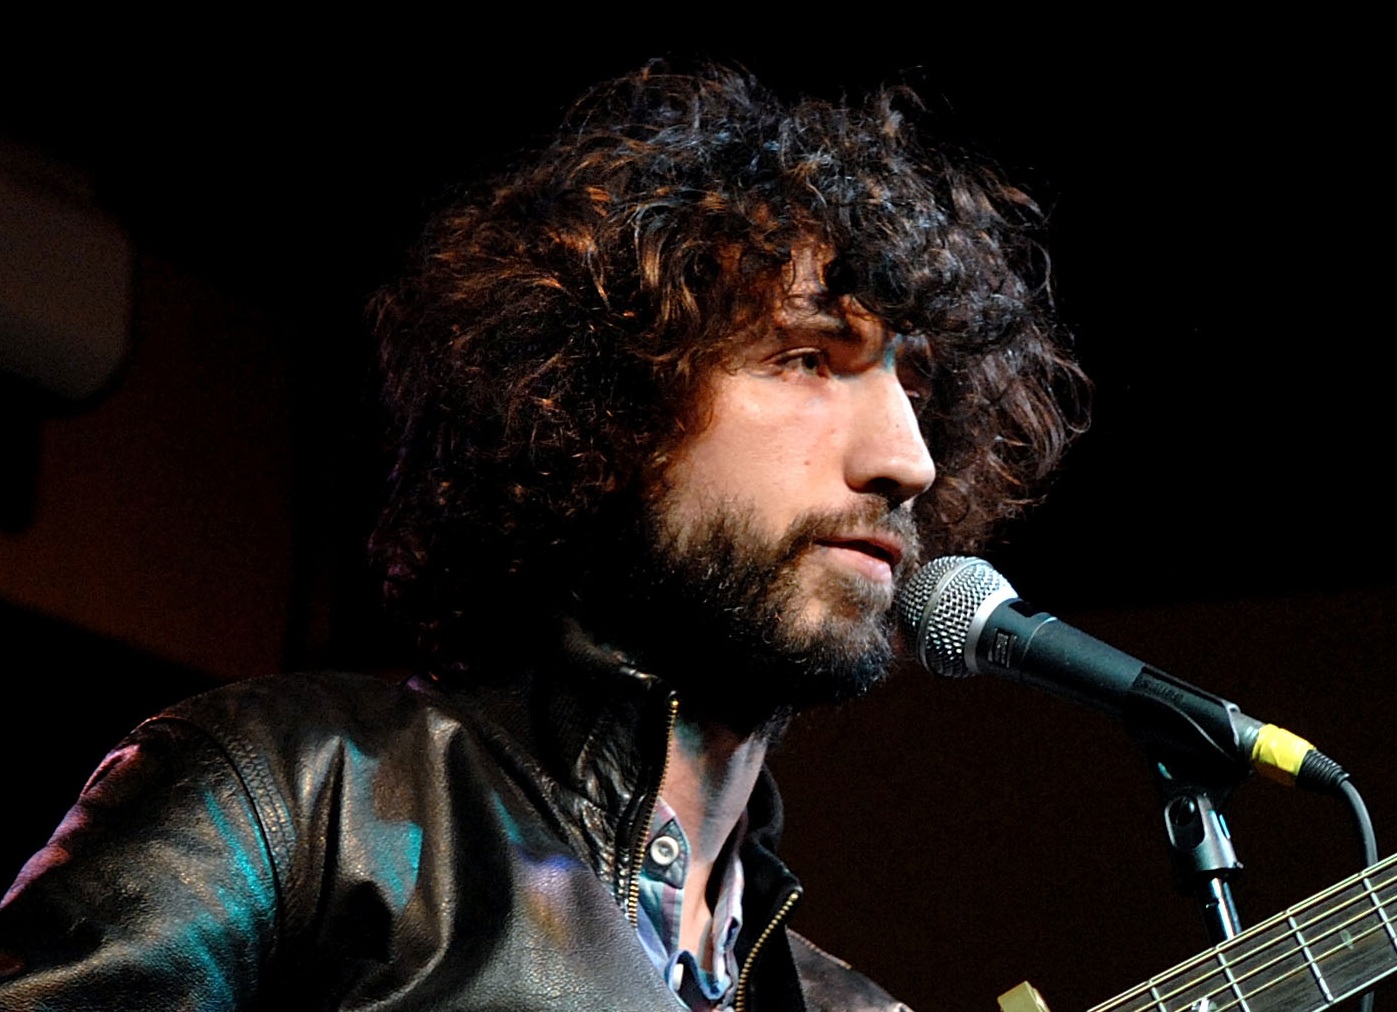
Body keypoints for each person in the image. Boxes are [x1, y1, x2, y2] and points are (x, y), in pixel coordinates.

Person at [0, 63, 1085, 1010]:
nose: (907, 458)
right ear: (611, 411)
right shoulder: (295, 798)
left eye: (918, 385)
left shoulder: (842, 1000)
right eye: (807, 358)